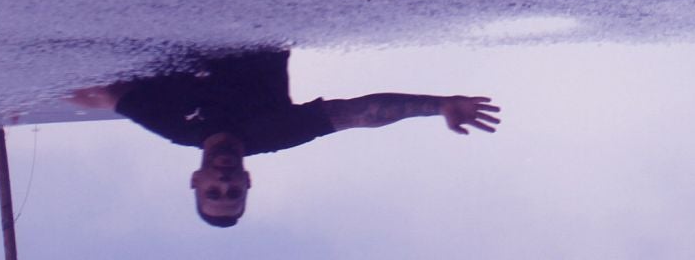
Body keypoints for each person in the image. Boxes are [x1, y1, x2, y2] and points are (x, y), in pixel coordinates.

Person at [68, 48, 500, 227]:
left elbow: (106, 95)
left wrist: (19, 86)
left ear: (195, 182)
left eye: (215, 191)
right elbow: (361, 114)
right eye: (233, 192)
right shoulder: (275, 132)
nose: (225, 182)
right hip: (254, 1)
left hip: (186, 0)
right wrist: (437, 105)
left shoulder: (175, 127)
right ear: (248, 182)